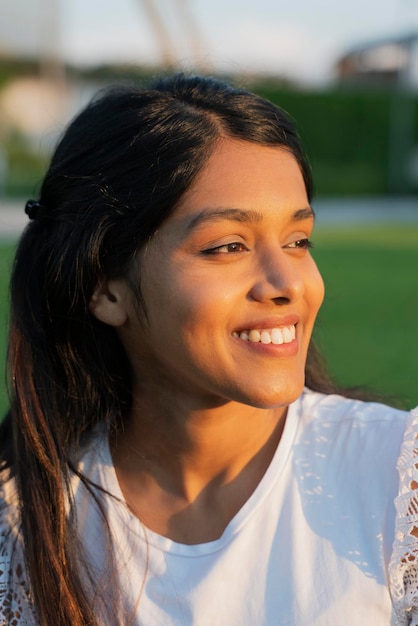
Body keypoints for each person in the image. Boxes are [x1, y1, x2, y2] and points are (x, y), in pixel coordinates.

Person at [0, 73, 416, 626]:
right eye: (227, 246)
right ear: (105, 287)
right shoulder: (24, 518)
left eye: (297, 241)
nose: (286, 283)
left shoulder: (397, 484)